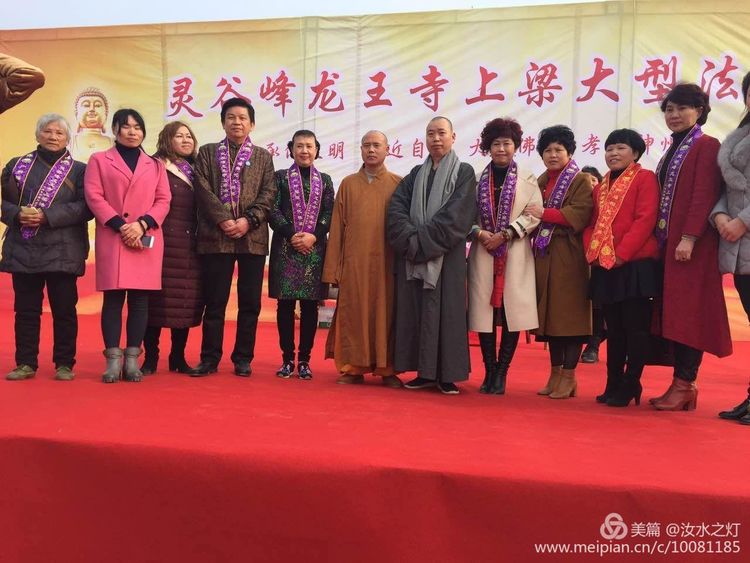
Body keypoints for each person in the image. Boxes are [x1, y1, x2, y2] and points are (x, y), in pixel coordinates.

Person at [649, 83, 732, 410]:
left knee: (688, 315)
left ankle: (686, 384)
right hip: (670, 245)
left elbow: (704, 194)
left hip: (691, 247)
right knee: (674, 313)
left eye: (682, 108)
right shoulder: (674, 147)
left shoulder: (706, 145)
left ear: (699, 111)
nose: (674, 115)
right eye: (670, 109)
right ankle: (682, 385)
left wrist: (690, 237)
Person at [386, 116, 477, 395]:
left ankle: (446, 375)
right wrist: (412, 240)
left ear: (453, 136)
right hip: (416, 258)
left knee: (446, 315)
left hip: (446, 258)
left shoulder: (464, 172)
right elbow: (396, 209)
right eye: (430, 134)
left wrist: (419, 242)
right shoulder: (416, 173)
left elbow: (457, 218)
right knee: (417, 313)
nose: (436, 139)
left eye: (441, 133)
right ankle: (423, 373)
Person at [190, 97, 276, 377]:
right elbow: (202, 189)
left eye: (242, 118)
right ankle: (210, 358)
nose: (236, 122)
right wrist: (225, 220)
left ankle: (243, 358)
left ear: (251, 124)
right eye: (231, 117)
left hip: (252, 238)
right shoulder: (207, 152)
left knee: (250, 302)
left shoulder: (263, 156)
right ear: (223, 122)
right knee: (214, 301)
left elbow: (269, 194)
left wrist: (247, 220)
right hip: (217, 236)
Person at [84, 108, 171, 383]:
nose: (132, 132)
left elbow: (163, 200)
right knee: (112, 300)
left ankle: (132, 360)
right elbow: (94, 196)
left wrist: (142, 224)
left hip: (145, 238)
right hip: (113, 236)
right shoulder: (99, 160)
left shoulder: (155, 165)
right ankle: (112, 360)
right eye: (126, 126)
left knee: (140, 301)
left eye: (138, 127)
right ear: (116, 130)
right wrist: (121, 226)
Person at [1, 113, 89, 380]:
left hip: (63, 250)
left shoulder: (80, 170)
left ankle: (64, 363)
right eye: (48, 131)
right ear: (37, 135)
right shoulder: (17, 165)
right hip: (24, 248)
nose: (53, 137)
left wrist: (47, 216)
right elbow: (3, 203)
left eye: (59, 133)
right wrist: (16, 214)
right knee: (26, 310)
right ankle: (26, 363)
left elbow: (85, 207)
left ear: (67, 138)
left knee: (64, 310)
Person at [583, 129, 659, 407]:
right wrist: (591, 249)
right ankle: (613, 382)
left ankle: (631, 383)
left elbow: (645, 219)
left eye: (621, 148)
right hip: (605, 265)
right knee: (613, 329)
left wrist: (621, 254)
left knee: (635, 328)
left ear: (636, 153)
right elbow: (591, 223)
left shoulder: (645, 178)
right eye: (609, 148)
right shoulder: (600, 186)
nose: (613, 153)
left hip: (634, 265)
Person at [322, 130, 403, 388]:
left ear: (387, 149)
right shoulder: (348, 184)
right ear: (360, 150)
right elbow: (336, 228)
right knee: (353, 312)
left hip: (387, 263)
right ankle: (352, 366)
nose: (371, 150)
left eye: (376, 145)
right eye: (366, 145)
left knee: (386, 314)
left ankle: (387, 368)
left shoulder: (398, 184)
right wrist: (334, 268)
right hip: (354, 263)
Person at [467, 118, 541, 395]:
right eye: (496, 144)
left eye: (506, 143)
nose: (501, 149)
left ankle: (502, 372)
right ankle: (488, 368)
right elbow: (465, 217)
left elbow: (534, 213)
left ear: (516, 146)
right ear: (488, 147)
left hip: (515, 251)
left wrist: (508, 233)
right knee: (485, 312)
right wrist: (480, 233)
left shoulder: (528, 179)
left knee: (511, 312)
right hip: (484, 251)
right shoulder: (475, 179)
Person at [526, 125, 593, 399]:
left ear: (570, 152)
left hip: (570, 256)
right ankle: (555, 374)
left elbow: (581, 213)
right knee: (551, 319)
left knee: (570, 319)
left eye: (558, 150)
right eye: (547, 150)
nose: (552, 155)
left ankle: (569, 375)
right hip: (545, 257)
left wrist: (545, 213)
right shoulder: (539, 181)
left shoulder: (580, 180)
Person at [268, 130, 334, 380]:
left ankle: (304, 360)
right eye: (299, 146)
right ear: (291, 149)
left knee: (310, 307)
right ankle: (287, 359)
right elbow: (272, 210)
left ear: (316, 149)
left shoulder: (325, 180)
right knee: (284, 305)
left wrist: (314, 236)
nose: (304, 151)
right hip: (286, 247)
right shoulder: (280, 177)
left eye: (309, 146)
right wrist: (291, 234)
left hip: (314, 250)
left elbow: (329, 213)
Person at [141, 121, 203, 375]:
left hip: (191, 245)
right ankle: (151, 357)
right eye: (179, 136)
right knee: (155, 302)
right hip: (160, 243)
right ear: (167, 139)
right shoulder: (154, 165)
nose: (186, 140)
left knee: (186, 300)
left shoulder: (198, 169)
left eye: (189, 136)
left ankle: (178, 356)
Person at [712, 71, 750, 424]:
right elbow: (726, 189)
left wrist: (744, 221)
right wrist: (721, 215)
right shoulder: (739, 136)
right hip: (739, 246)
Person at [579, 165, 606, 364]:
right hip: (575, 259)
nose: (589, 185)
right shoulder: (575, 201)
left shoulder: (605, 203)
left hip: (598, 259)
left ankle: (593, 344)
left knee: (597, 302)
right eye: (584, 181)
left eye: (593, 181)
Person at [69, 87, 113, 163]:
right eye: (86, 105)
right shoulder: (69, 142)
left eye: (98, 105)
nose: (92, 109)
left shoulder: (114, 143)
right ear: (76, 114)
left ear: (106, 113)